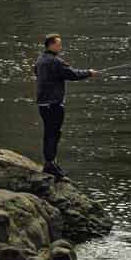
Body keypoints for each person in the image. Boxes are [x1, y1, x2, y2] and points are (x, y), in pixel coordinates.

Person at [33, 33, 97, 180]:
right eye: (59, 44)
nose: (60, 47)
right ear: (51, 45)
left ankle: (50, 162)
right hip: (53, 104)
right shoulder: (55, 61)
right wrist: (89, 73)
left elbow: (37, 72)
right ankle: (51, 164)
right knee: (54, 133)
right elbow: (72, 74)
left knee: (48, 132)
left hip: (43, 104)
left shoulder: (40, 60)